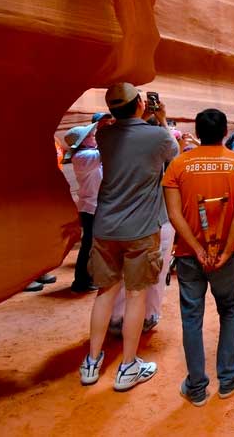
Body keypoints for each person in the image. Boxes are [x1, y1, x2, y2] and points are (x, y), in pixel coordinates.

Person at [78, 83, 179, 391]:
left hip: (106, 226)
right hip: (141, 227)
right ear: (140, 104)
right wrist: (160, 118)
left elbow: (116, 131)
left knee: (105, 292)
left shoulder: (106, 136)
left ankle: (92, 363)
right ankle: (128, 366)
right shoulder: (158, 135)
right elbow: (172, 156)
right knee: (136, 294)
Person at [163, 108, 234, 406]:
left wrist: (199, 249)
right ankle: (228, 378)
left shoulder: (178, 165)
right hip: (226, 257)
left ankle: (196, 387)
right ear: (225, 131)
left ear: (198, 133)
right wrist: (226, 251)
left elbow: (174, 214)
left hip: (190, 255)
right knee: (229, 310)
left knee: (192, 317)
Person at [64, 123, 103, 292]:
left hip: (92, 206)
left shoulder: (86, 154)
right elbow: (107, 152)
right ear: (82, 142)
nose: (94, 137)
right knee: (89, 245)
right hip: (90, 208)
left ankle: (87, 278)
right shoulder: (83, 157)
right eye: (91, 136)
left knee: (91, 244)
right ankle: (81, 281)